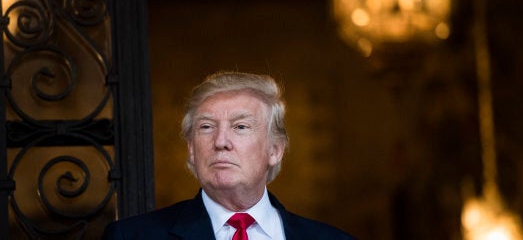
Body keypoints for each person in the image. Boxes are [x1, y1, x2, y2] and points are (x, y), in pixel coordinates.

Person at [102, 71, 355, 239]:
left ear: (275, 150)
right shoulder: (130, 236)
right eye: (206, 127)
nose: (221, 142)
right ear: (191, 149)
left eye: (240, 127)